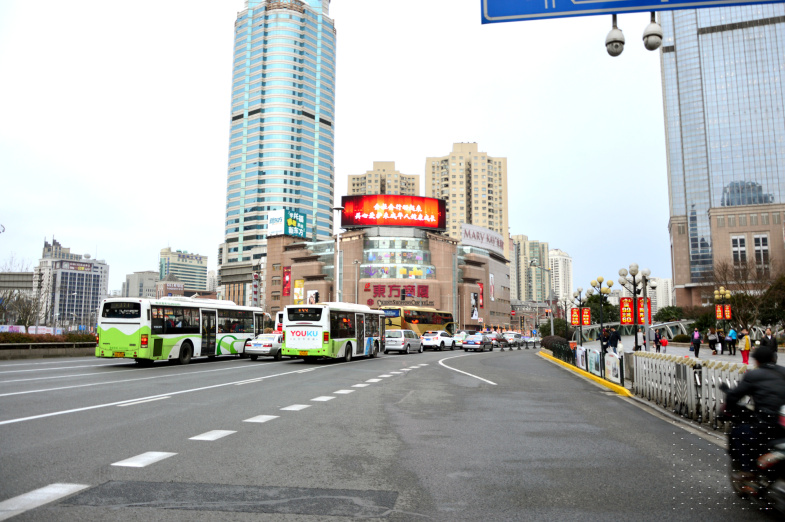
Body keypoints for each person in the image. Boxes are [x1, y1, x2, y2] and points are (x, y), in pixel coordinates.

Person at [723, 345, 785, 491]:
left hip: (768, 424)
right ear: (774, 358)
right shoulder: (783, 372)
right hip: (782, 423)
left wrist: (727, 409)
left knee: (738, 433)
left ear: (756, 361)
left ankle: (749, 471)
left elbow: (734, 396)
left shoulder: (753, 375)